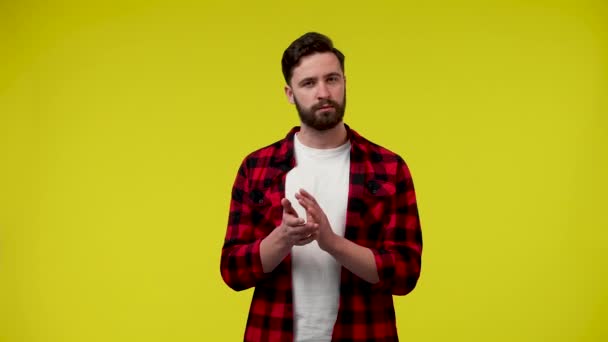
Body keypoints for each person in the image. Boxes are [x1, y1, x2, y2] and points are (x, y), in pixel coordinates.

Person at [220, 32, 423, 342]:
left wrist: (332, 242)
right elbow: (233, 271)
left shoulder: (388, 167)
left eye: (332, 79)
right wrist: (283, 237)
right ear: (289, 93)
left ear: (345, 82)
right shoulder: (256, 168)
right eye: (309, 83)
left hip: (364, 332)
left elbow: (405, 273)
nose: (323, 92)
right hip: (272, 332)